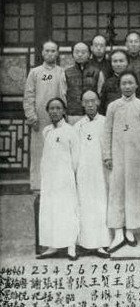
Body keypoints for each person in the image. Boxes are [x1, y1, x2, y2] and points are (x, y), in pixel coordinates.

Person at [103, 71, 140, 253]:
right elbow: (107, 131)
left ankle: (131, 230)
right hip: (117, 157)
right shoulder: (113, 107)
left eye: (130, 83)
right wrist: (107, 155)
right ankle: (118, 232)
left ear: (136, 86)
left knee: (133, 192)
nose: (127, 86)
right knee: (117, 192)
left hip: (136, 158)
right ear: (119, 86)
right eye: (123, 83)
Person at [36, 98, 79, 261]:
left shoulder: (70, 130)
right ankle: (51, 246)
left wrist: (69, 175)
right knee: (49, 210)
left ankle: (71, 247)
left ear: (63, 111)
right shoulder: (46, 130)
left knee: (67, 210)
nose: (54, 111)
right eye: (51, 108)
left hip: (65, 178)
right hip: (49, 178)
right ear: (48, 111)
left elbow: (76, 157)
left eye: (58, 108)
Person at [23, 40, 66, 192]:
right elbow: (28, 96)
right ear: (42, 53)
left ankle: (57, 187)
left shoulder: (61, 72)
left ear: (57, 53)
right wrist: (32, 117)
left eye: (53, 51)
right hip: (40, 120)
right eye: (47, 51)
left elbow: (64, 95)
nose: (50, 54)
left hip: (57, 119)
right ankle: (38, 188)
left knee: (58, 152)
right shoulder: (35, 73)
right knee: (39, 154)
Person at [74, 90, 111, 258]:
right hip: (84, 172)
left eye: (93, 101)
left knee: (101, 205)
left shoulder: (105, 122)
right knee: (84, 206)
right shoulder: (77, 126)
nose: (89, 104)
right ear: (82, 103)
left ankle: (101, 244)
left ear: (98, 102)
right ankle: (84, 243)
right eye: (86, 101)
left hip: (101, 172)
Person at [64, 41, 105, 124]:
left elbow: (101, 94)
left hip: (92, 115)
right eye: (77, 52)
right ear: (72, 54)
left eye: (83, 52)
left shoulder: (97, 72)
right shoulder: (66, 73)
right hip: (72, 115)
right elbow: (63, 95)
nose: (80, 55)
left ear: (89, 54)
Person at [99, 49, 140, 114]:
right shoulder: (107, 83)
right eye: (115, 61)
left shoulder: (137, 81)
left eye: (121, 61)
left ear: (127, 62)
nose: (118, 64)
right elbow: (102, 106)